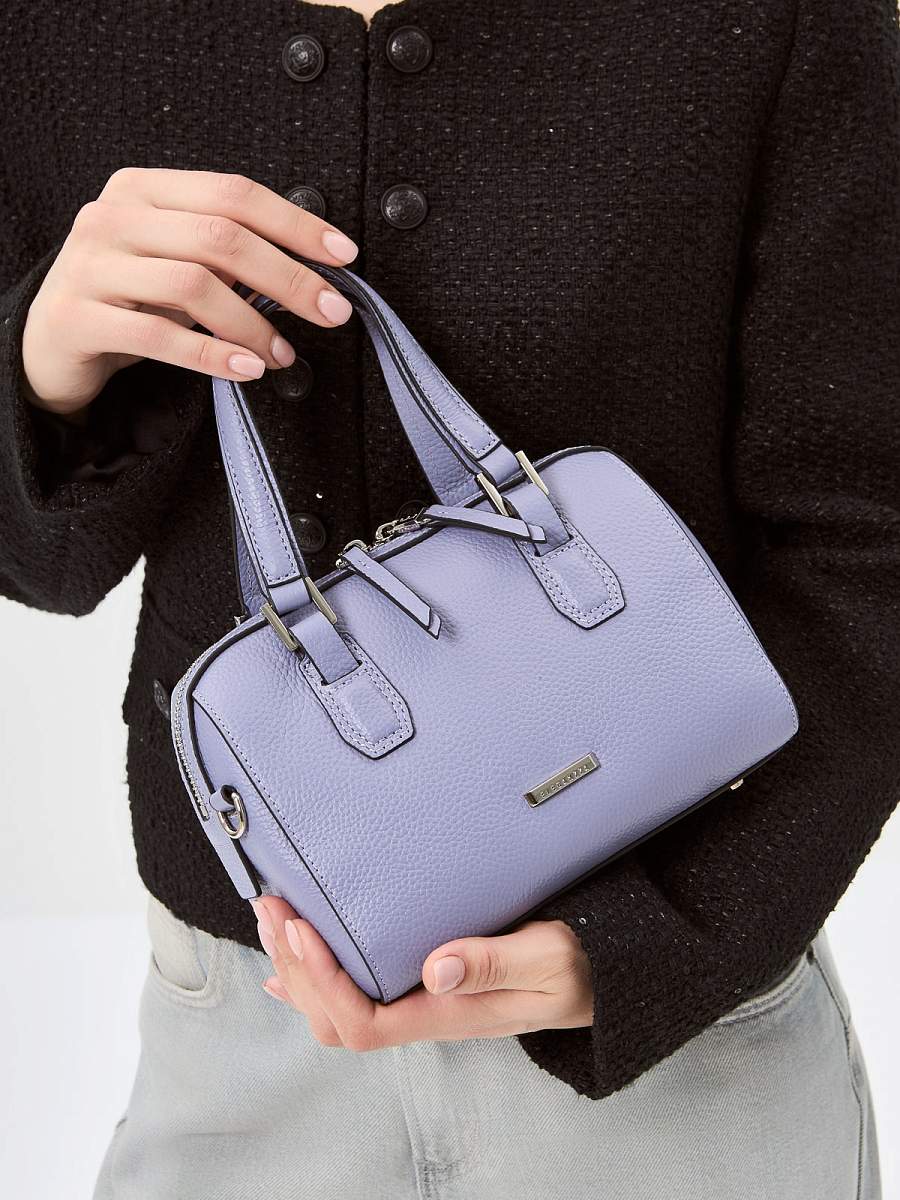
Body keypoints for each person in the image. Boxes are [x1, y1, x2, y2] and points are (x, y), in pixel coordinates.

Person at [1, 0, 897, 1196]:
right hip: (239, 1033)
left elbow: (869, 541)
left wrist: (667, 935)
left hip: (683, 1042)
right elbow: (41, 568)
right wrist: (43, 372)